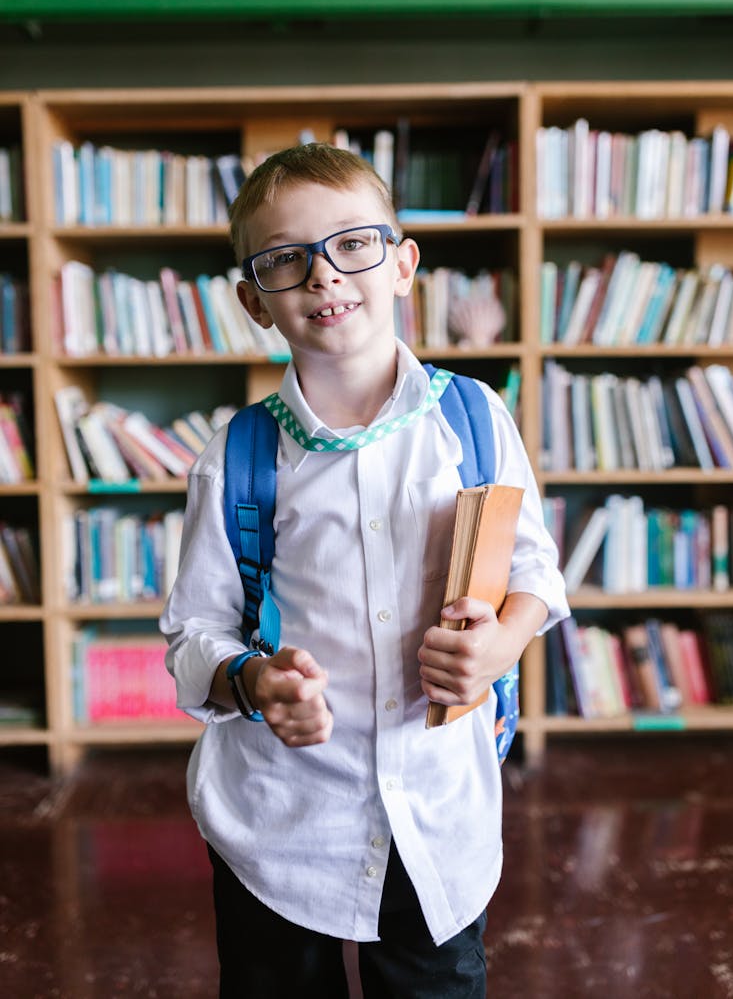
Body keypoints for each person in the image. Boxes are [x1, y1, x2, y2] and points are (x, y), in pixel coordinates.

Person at [159, 142, 569, 998]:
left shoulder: (475, 419)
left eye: (353, 243)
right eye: (286, 259)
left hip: (436, 812)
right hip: (280, 820)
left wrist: (505, 643)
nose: (324, 275)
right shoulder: (233, 457)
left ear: (404, 264)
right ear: (254, 301)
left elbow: (535, 568)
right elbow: (194, 636)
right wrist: (255, 679)